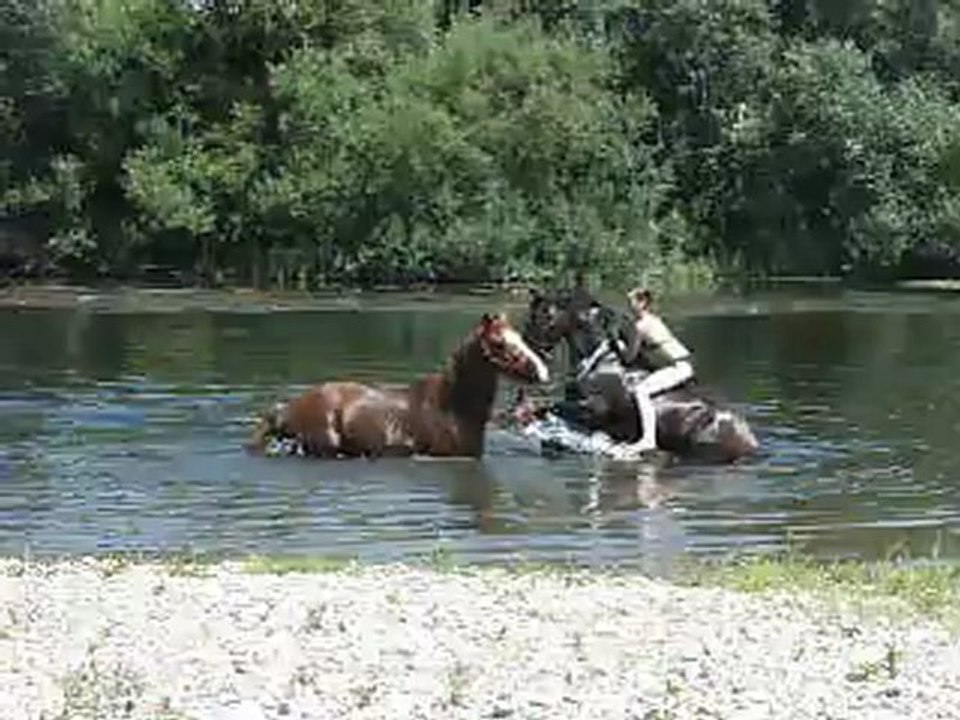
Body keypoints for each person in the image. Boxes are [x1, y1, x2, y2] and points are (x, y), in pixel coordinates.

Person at [612, 286, 694, 455]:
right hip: (683, 364)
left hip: (677, 368)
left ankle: (648, 440)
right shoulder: (654, 319)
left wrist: (618, 344)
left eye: (631, 302)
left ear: (643, 303)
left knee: (640, 391)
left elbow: (629, 357)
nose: (629, 306)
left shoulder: (641, 326)